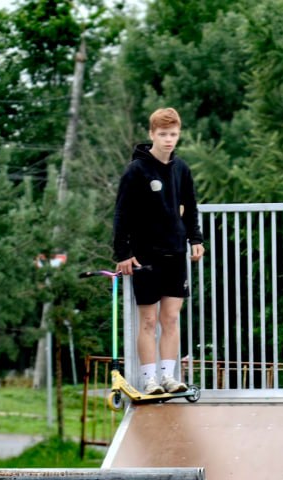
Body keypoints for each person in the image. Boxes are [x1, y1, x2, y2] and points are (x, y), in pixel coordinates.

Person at [113, 107, 205, 395]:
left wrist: (195, 239)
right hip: (145, 255)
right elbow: (121, 214)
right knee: (149, 320)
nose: (168, 140)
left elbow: (190, 208)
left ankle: (168, 376)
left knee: (171, 318)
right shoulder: (137, 170)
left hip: (175, 253)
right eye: (163, 134)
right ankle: (149, 380)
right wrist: (123, 253)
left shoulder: (182, 169)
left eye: (173, 134)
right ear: (152, 134)